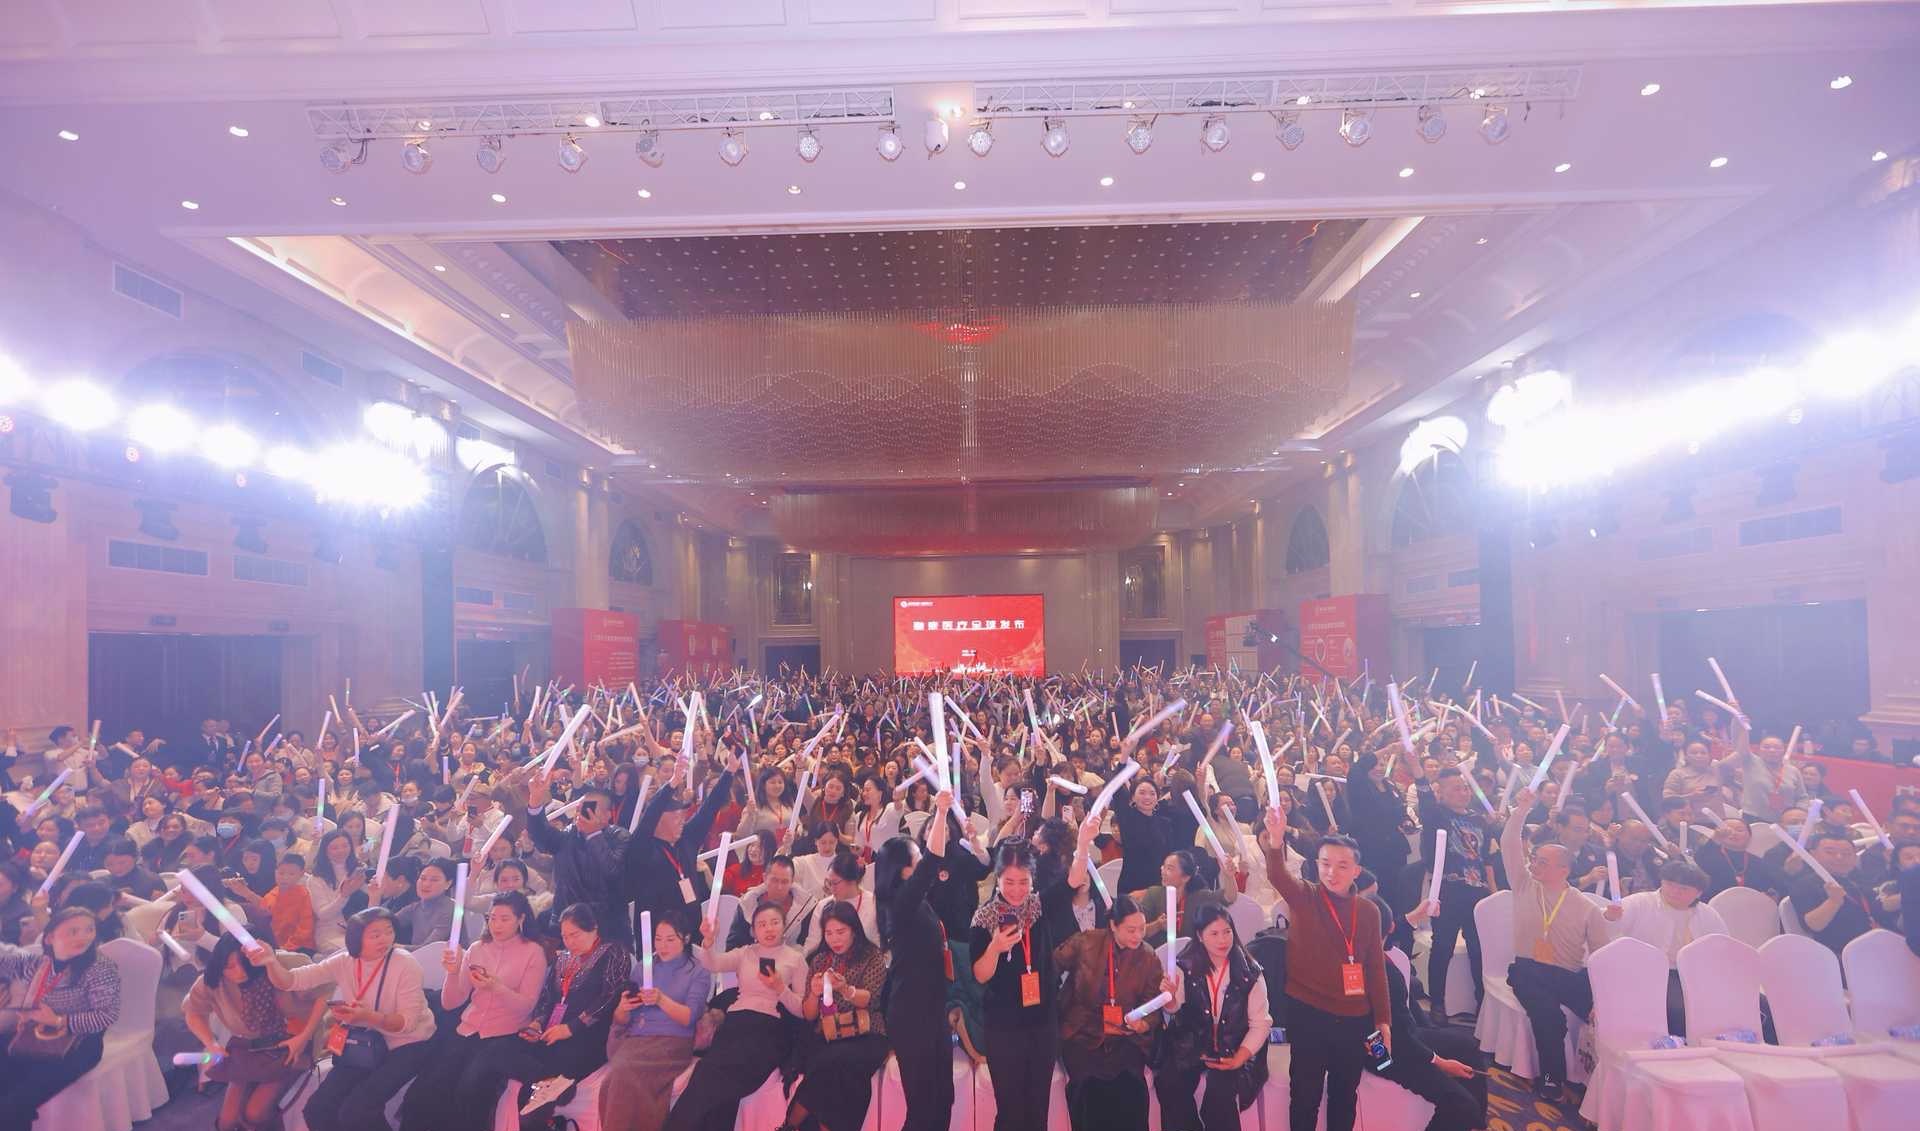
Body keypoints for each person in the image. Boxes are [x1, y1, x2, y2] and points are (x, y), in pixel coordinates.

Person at [246, 907, 437, 1131]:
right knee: (317, 1109)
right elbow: (291, 981)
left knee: (358, 1111)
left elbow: (408, 1023)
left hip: (408, 1044)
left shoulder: (405, 963)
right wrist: (271, 962)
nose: (385, 939)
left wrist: (368, 1016)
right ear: (356, 939)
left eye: (389, 931)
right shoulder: (345, 961)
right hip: (365, 1042)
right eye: (375, 935)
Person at [1261, 807, 1390, 1131]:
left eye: (1342, 866)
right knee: (1305, 1094)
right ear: (1316, 865)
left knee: (1344, 1095)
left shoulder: (1369, 912)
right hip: (1308, 1012)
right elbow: (1278, 876)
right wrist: (1275, 841)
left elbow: (1375, 968)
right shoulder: (1305, 896)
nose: (1332, 872)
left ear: (1356, 871)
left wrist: (1383, 1020)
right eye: (1325, 864)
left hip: (1354, 1017)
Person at [468, 901, 629, 1131]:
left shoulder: (614, 952)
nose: (569, 942)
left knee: (529, 1106)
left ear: (594, 928)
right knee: (494, 1052)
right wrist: (537, 1023)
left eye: (575, 935)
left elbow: (609, 998)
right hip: (550, 1034)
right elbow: (547, 998)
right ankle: (551, 1081)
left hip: (586, 1038)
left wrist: (571, 1028)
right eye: (565, 936)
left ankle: (551, 1084)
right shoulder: (563, 958)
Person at [969, 829, 1089, 1131]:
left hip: (1042, 1022)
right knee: (1010, 1111)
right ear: (997, 879)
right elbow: (980, 975)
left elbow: (1074, 878)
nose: (1016, 890)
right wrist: (995, 948)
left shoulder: (1038, 906)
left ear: (1032, 880)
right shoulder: (984, 918)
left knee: (1037, 1110)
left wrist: (1084, 841)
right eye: (1009, 882)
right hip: (1003, 1026)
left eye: (1023, 882)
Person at [398, 890, 547, 1131]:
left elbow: (526, 1007)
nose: (497, 925)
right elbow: (451, 1003)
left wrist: (496, 987)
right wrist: (452, 972)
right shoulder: (477, 948)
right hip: (468, 1029)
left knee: (469, 1088)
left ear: (521, 919)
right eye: (492, 918)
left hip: (505, 1034)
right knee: (428, 1087)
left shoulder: (533, 952)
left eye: (505, 919)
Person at [1497, 789, 1612, 1100]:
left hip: (1567, 974)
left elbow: (1601, 956)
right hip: (1528, 970)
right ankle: (1552, 1079)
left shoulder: (1586, 907)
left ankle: (1605, 1085)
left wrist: (1601, 998)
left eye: (1543, 862)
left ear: (1564, 870)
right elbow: (1509, 844)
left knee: (1607, 1014)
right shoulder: (1524, 884)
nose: (1534, 865)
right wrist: (1521, 810)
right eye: (1535, 859)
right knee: (1549, 1017)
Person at [665, 901, 806, 1131]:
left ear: (784, 925)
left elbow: (802, 1009)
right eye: (762, 924)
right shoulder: (745, 953)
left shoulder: (795, 958)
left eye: (774, 922)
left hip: (769, 1029)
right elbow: (713, 963)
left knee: (718, 1077)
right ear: (753, 930)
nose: (769, 929)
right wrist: (709, 942)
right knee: (708, 1075)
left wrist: (780, 988)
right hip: (736, 1024)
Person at [183, 932, 328, 1131]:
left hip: (291, 1041)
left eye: (244, 964)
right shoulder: (214, 979)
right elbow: (193, 1012)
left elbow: (323, 993)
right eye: (229, 966)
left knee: (254, 1114)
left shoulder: (284, 963)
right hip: (249, 1046)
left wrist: (304, 1037)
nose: (239, 972)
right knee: (227, 1122)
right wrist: (211, 1043)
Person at [874, 789, 955, 1131]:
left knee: (943, 1098)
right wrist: (941, 812)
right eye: (916, 857)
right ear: (904, 869)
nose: (922, 860)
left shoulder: (914, 901)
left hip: (931, 1008)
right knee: (923, 1107)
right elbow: (933, 860)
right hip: (911, 1013)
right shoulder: (900, 904)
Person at [0, 907, 122, 1131]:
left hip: (79, 1044)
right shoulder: (39, 963)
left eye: (89, 929)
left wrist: (59, 1021)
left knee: (16, 1101)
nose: (84, 937)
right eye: (73, 931)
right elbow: (6, 961)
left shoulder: (100, 968)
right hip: (34, 1035)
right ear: (50, 938)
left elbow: (107, 1015)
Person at [1370, 899, 1487, 1131]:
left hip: (1398, 1038)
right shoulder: (1382, 973)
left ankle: (1476, 1124)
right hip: (1381, 1053)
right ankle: (1470, 1116)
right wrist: (1440, 1062)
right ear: (1389, 928)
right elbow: (1400, 1040)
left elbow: (1404, 1032)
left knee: (1469, 1048)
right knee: (1461, 1105)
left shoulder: (1367, 950)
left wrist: (1416, 915)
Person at [1052, 892, 1165, 1131]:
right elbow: (1051, 966)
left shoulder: (1148, 957)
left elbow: (1153, 1004)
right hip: (1082, 1031)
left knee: (1132, 1087)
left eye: (1142, 929)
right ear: (1113, 925)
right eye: (1131, 930)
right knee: (1088, 1087)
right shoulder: (1086, 942)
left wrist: (1143, 1023)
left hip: (1125, 1037)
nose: (1138, 936)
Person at [1155, 902, 1270, 1131]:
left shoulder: (1249, 972)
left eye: (1227, 932)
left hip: (1235, 1044)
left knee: (1219, 1098)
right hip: (1193, 1041)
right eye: (1214, 934)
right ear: (1200, 936)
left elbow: (1260, 1024)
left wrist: (1239, 1058)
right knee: (1169, 1083)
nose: (1222, 940)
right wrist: (1169, 999)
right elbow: (1173, 1009)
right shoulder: (1184, 965)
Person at [600, 911, 712, 1131]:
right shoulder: (644, 967)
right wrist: (623, 1008)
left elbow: (689, 1017)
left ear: (685, 938)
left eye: (670, 939)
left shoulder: (697, 971)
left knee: (624, 1074)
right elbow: (621, 1019)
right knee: (612, 1079)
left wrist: (661, 1000)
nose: (663, 946)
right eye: (658, 939)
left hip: (673, 1041)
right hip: (638, 1039)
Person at [787, 900, 891, 1131]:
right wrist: (814, 994)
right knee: (839, 1072)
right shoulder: (819, 960)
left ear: (854, 929)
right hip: (828, 1033)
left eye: (841, 932)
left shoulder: (872, 956)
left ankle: (790, 1125)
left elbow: (869, 999)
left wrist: (845, 989)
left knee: (832, 1063)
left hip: (867, 1032)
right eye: (829, 933)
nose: (835, 939)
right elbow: (809, 1015)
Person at [1603, 858, 1726, 1035]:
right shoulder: (1639, 902)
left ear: (1698, 893)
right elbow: (1604, 931)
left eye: (1683, 888)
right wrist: (1610, 917)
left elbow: (1722, 950)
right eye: (1670, 884)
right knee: (1680, 1008)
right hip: (1646, 972)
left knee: (1748, 1003)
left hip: (1694, 975)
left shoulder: (1708, 915)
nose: (1675, 892)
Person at [1416, 767, 1495, 1022]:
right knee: (1442, 947)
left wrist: (1492, 892)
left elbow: (1487, 859)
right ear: (1441, 793)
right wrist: (1418, 771)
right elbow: (1425, 798)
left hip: (1477, 894)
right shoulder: (1436, 815)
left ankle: (1482, 1003)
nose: (1463, 793)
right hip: (1448, 891)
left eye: (1465, 787)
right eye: (1456, 789)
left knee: (1479, 949)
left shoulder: (1479, 819)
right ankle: (1437, 1004)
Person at [524, 778, 629, 945]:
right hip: (567, 923)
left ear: (608, 815)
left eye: (590, 809)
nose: (582, 814)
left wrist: (594, 834)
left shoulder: (620, 837)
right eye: (579, 809)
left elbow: (612, 873)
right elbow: (541, 836)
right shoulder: (569, 834)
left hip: (606, 927)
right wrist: (535, 801)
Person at [1788, 829, 1891, 955]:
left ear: (1855, 857)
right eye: (1830, 852)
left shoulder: (1858, 879)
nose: (1839, 857)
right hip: (1836, 953)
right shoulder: (1804, 884)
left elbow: (1881, 906)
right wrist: (1834, 902)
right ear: (1812, 855)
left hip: (1874, 945)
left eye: (1846, 853)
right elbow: (1813, 925)